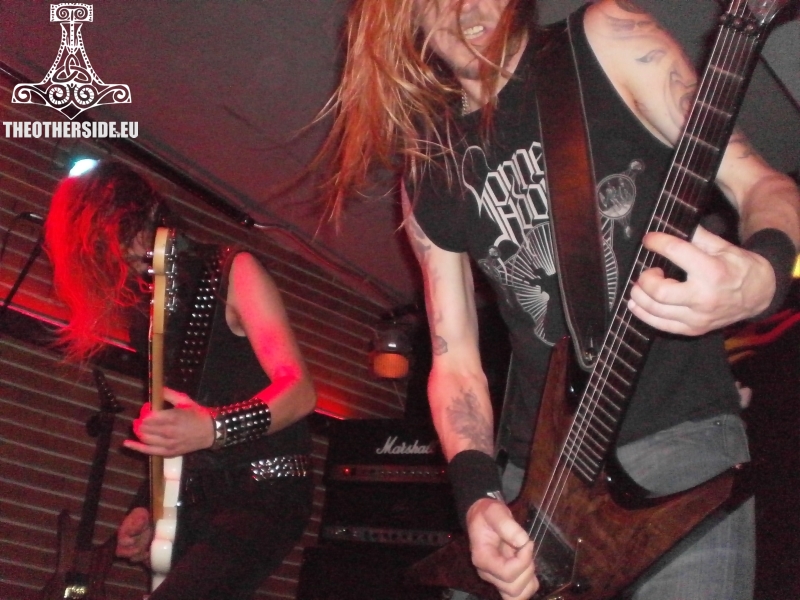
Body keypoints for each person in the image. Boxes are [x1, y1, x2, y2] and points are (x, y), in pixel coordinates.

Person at [321, 1, 800, 599]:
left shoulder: (605, 40)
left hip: (679, 442)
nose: (467, 7)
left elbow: (763, 185)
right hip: (536, 480)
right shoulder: (428, 168)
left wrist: (763, 277)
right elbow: (454, 360)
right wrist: (478, 499)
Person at [44, 160, 317, 600]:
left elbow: (300, 392)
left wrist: (213, 428)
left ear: (135, 217)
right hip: (192, 498)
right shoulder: (144, 310)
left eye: (111, 241)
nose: (117, 260)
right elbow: (174, 421)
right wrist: (147, 505)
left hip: (265, 486)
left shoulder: (232, 269)